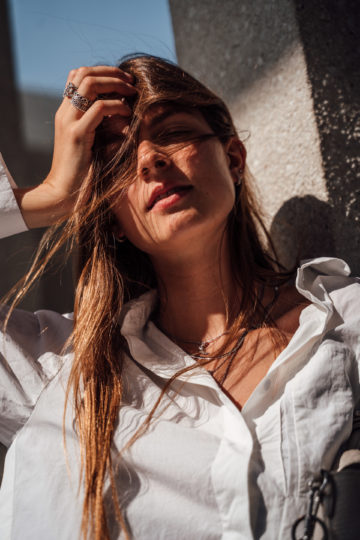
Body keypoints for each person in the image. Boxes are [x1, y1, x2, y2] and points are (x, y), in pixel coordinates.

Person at [0, 55, 359, 540]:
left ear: (233, 159)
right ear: (110, 215)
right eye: (119, 158)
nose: (149, 159)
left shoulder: (344, 322)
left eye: (171, 133)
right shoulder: (49, 369)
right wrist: (48, 196)